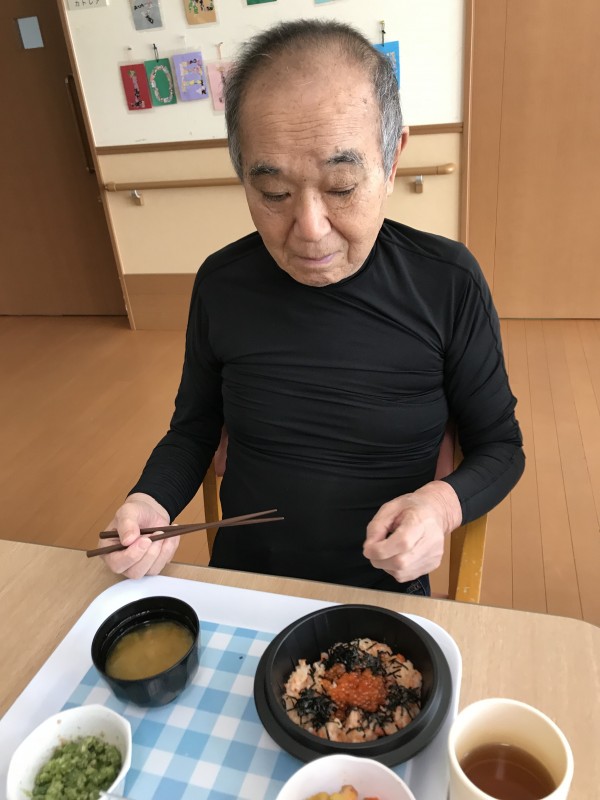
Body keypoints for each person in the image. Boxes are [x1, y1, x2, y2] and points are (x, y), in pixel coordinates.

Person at [102, 19, 524, 593]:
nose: (309, 229)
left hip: (381, 591)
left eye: (342, 187)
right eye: (274, 193)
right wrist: (151, 500)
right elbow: (195, 428)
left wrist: (440, 507)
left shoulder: (448, 283)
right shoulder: (222, 284)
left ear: (392, 160)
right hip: (245, 584)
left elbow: (500, 447)